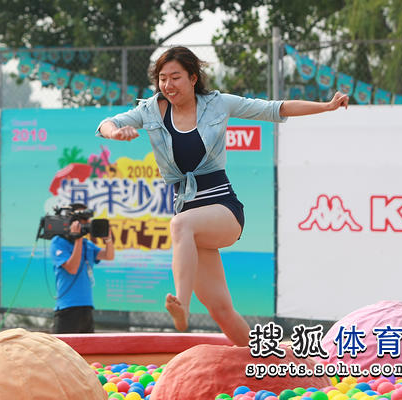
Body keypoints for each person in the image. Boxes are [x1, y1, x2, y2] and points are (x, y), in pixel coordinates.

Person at [96, 46, 348, 346]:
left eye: (175, 77)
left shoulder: (217, 104)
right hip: (191, 220)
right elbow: (107, 123)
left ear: (192, 78)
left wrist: (327, 106)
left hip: (223, 209)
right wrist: (114, 133)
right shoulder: (151, 110)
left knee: (179, 225)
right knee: (221, 310)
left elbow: (274, 108)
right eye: (162, 78)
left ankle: (182, 307)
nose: (168, 85)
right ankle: (264, 363)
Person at [49, 203, 115, 333]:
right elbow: (72, 268)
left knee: (86, 352)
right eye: (83, 219)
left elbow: (109, 255)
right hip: (67, 309)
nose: (87, 223)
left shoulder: (86, 244)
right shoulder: (58, 242)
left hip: (86, 307)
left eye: (87, 219)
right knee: (63, 352)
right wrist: (77, 239)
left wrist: (108, 239)